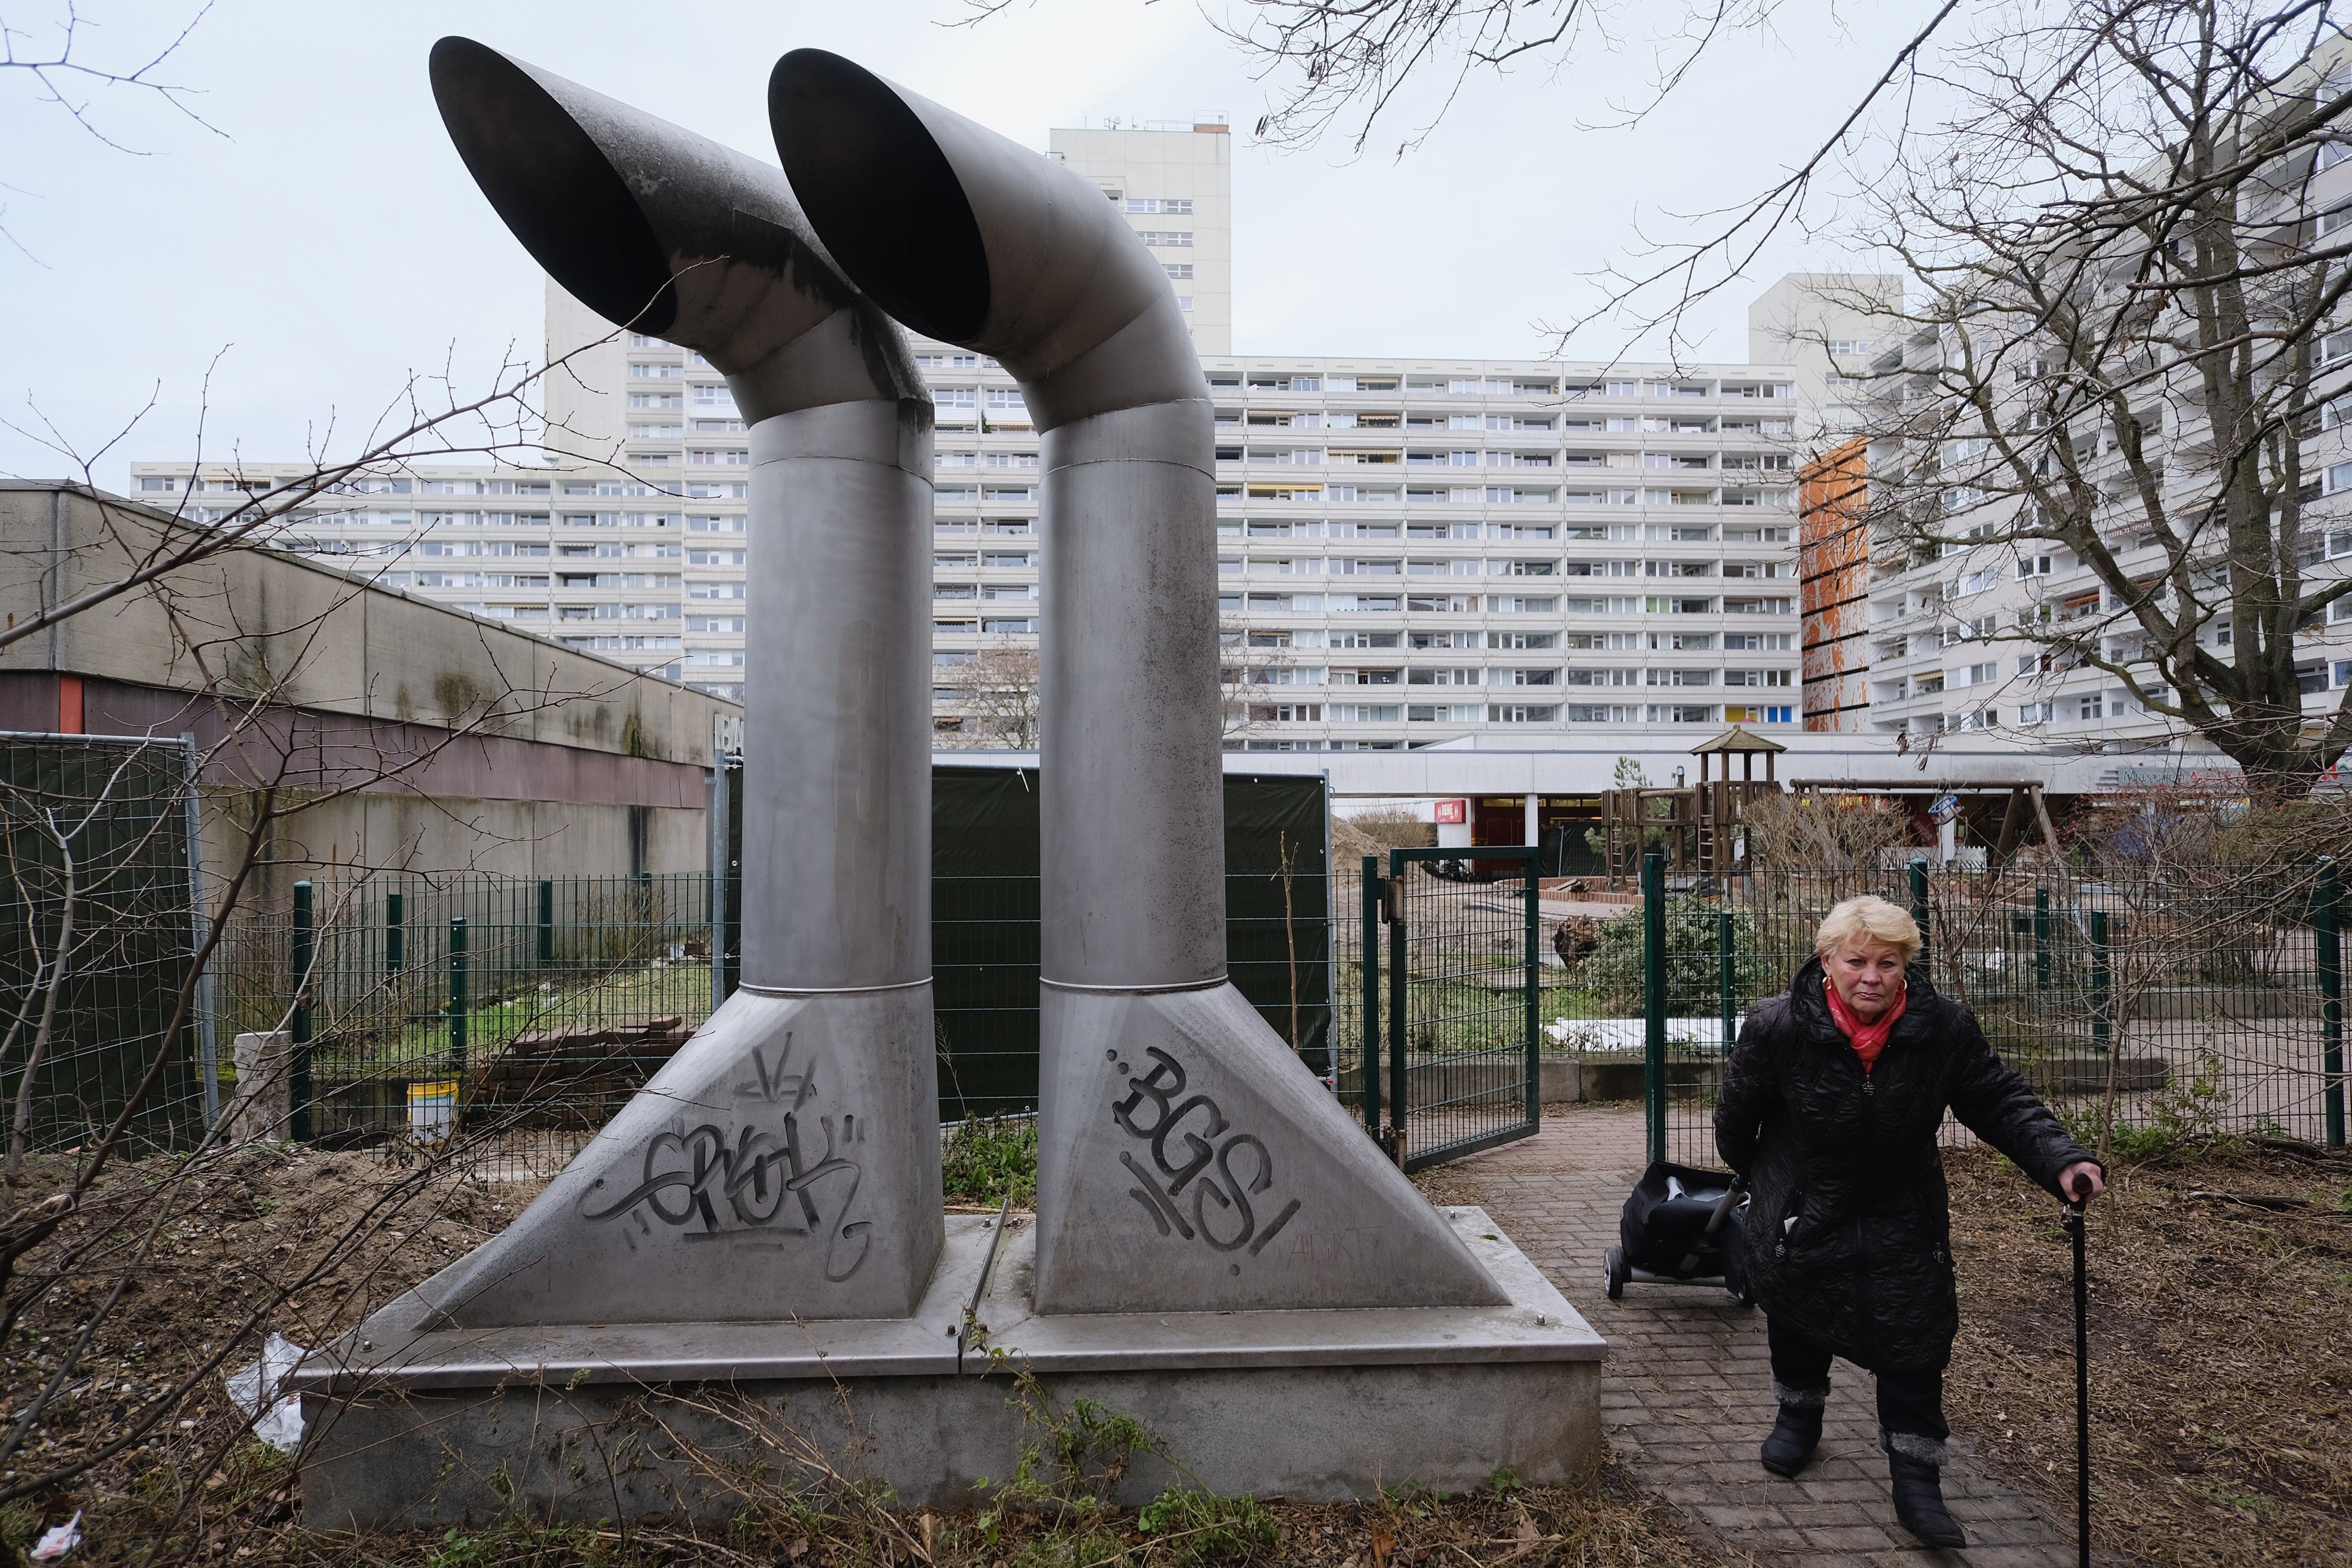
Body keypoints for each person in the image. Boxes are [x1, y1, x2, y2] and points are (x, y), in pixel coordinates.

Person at [1715, 894, 2104, 1549]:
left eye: (1888, 963)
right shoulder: (1777, 1027)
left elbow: (1997, 1097)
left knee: (1914, 1333)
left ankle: (1917, 1477)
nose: (1872, 977)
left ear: (1907, 968)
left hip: (1903, 1207)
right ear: (1827, 962)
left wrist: (2061, 1160)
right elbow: (1735, 1122)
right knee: (1799, 1312)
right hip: (1809, 1206)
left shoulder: (1942, 1028)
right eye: (1857, 961)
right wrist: (1780, 1187)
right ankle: (1798, 1418)